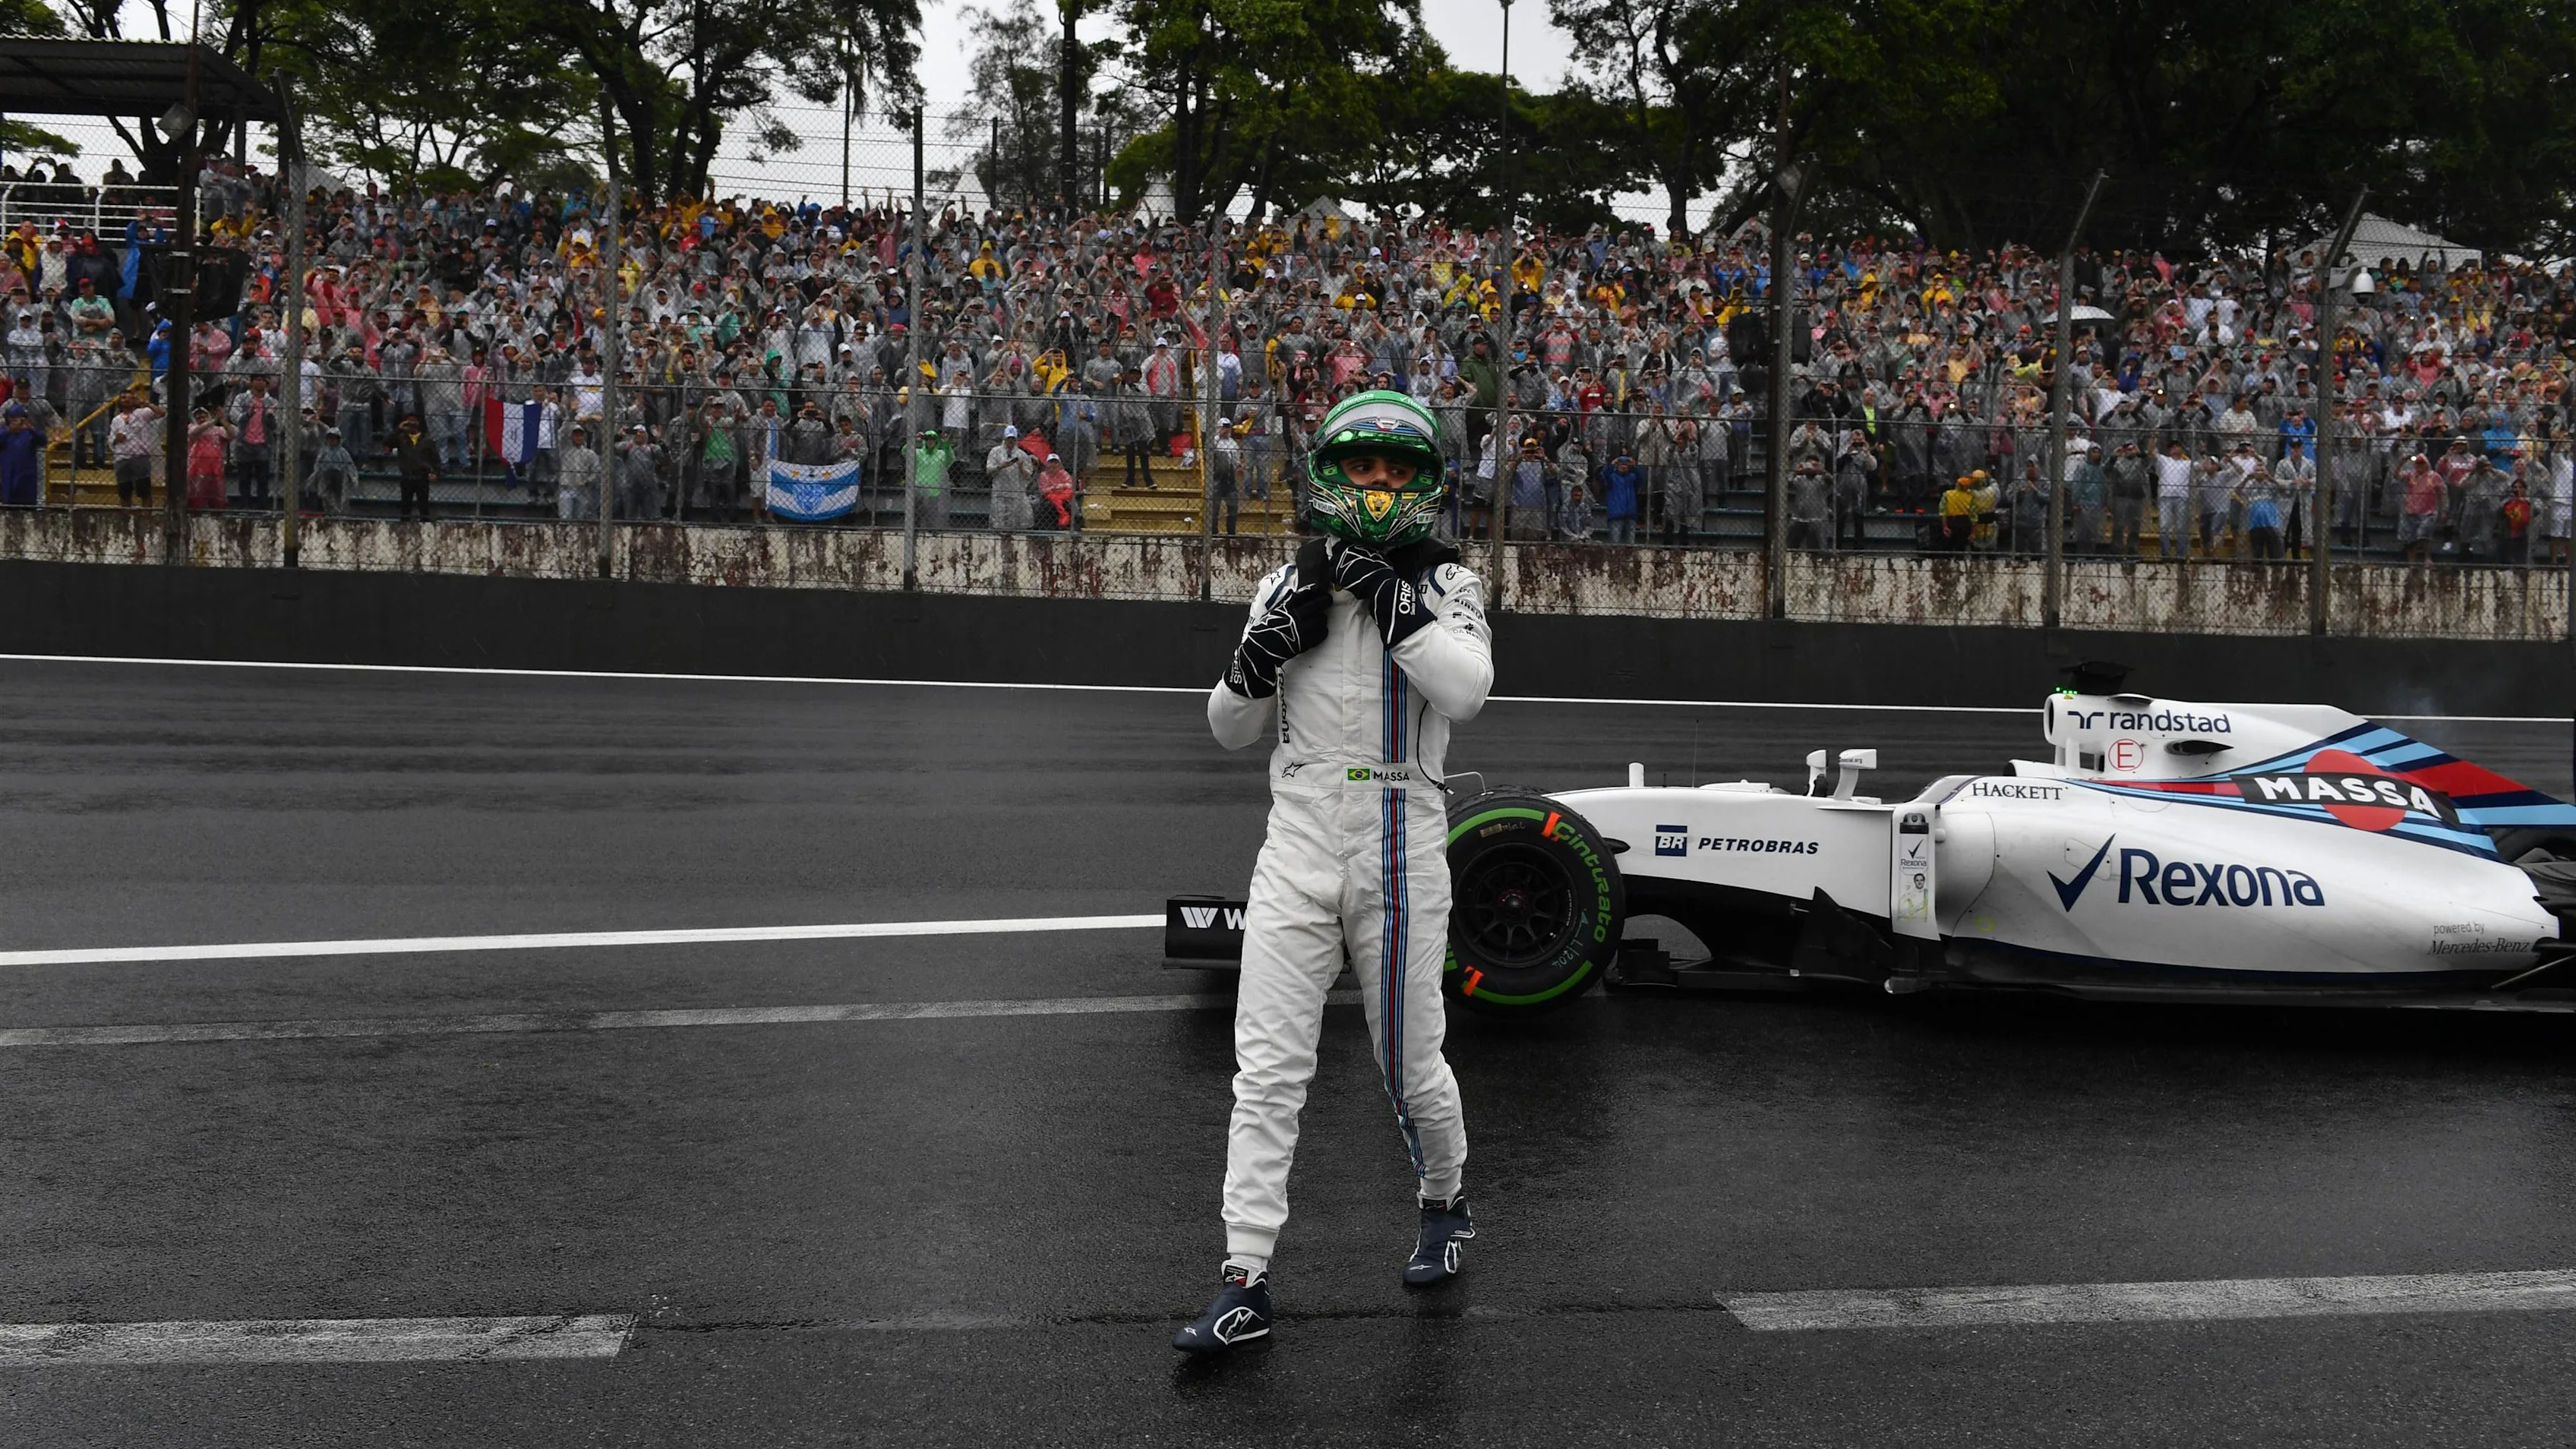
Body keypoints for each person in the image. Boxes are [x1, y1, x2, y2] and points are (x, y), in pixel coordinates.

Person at [1179, 389, 1490, 1356]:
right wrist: (1253, 662)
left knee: (1407, 1067)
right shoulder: (1283, 585)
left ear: (1426, 483)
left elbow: (1468, 694)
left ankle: (1443, 1202)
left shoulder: (1448, 585)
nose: (1380, 484)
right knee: (1266, 1072)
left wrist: (1399, 612)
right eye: (1363, 466)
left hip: (1403, 837)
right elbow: (1226, 731)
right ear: (1331, 473)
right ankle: (1243, 1280)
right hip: (1301, 837)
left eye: (1399, 469)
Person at [108, 393, 160, 508]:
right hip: (121, 458)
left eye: (129, 397)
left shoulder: (143, 413)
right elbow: (111, 439)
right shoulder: (116, 420)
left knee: (144, 492)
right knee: (124, 493)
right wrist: (116, 439)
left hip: (139, 456)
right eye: (123, 397)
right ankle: (126, 521)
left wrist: (145, 402)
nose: (126, 399)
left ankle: (146, 520)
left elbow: (161, 413)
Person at [390, 413, 439, 520]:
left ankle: (426, 528)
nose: (411, 425)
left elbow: (436, 460)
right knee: (405, 508)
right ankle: (403, 530)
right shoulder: (401, 439)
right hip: (407, 477)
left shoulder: (427, 441)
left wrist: (435, 473)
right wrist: (398, 429)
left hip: (422, 478)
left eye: (414, 422)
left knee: (424, 508)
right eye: (409, 422)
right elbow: (387, 442)